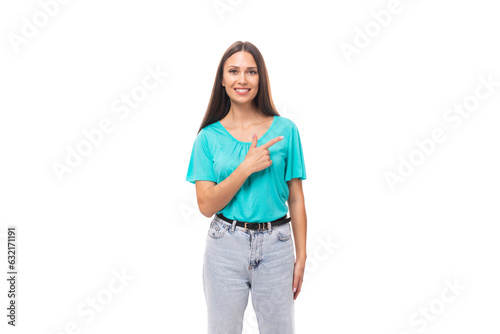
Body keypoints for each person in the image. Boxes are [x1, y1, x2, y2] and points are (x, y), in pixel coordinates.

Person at [186, 41, 307, 334]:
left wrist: (301, 255)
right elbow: (206, 205)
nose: (242, 79)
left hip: (277, 245)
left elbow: (296, 198)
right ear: (223, 80)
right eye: (234, 71)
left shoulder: (286, 130)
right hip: (225, 246)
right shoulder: (208, 137)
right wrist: (246, 167)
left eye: (251, 71)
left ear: (260, 79)